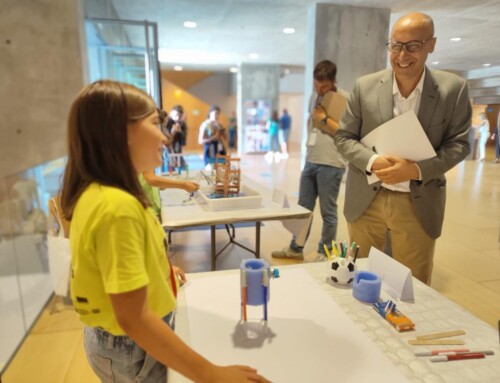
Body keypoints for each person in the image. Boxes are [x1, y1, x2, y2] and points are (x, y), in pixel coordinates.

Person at [60, 80, 269, 383]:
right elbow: (134, 318)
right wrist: (210, 374)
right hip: (131, 347)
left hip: (118, 343)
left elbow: (113, 267)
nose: (163, 136)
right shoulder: (117, 208)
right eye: (155, 124)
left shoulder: (102, 194)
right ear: (119, 133)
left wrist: (159, 270)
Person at [334, 12, 471, 284]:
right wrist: (372, 161)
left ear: (431, 45)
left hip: (417, 203)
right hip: (366, 200)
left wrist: (416, 169)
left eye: (413, 46)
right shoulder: (365, 87)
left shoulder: (453, 89)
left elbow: (460, 144)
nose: (402, 54)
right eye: (396, 45)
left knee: (412, 285)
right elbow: (343, 138)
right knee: (360, 277)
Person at [272, 60, 347, 261]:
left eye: (324, 86)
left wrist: (323, 118)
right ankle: (296, 248)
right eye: (316, 85)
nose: (320, 90)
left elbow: (346, 133)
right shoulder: (315, 96)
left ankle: (325, 252)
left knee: (328, 212)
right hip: (311, 160)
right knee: (303, 209)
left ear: (334, 81)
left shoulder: (344, 99)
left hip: (331, 163)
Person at [162, 105, 187, 171]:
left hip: (177, 150)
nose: (177, 117)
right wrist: (173, 132)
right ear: (171, 113)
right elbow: (166, 142)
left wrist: (180, 131)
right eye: (176, 115)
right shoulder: (167, 123)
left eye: (180, 116)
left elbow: (183, 141)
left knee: (183, 168)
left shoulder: (182, 124)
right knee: (170, 170)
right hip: (168, 152)